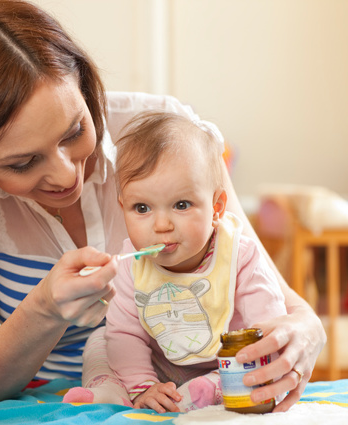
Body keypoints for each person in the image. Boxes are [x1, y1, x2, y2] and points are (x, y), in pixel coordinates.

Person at [0, 0, 325, 411]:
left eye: (74, 130)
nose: (65, 175)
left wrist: (307, 331)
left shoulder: (171, 138)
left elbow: (277, 297)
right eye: (23, 162)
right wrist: (44, 309)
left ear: (82, 85)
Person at [64, 111, 288, 413]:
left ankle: (208, 391)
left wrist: (250, 362)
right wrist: (143, 385)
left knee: (253, 360)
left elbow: (267, 328)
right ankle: (112, 390)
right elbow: (126, 334)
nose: (161, 225)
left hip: (221, 365)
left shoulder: (240, 255)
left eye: (181, 205)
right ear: (123, 208)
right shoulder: (131, 266)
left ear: (217, 208)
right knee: (101, 342)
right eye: (141, 208)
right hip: (156, 366)